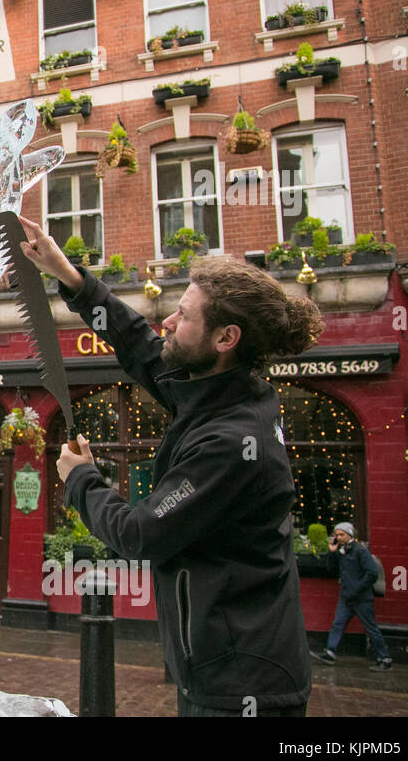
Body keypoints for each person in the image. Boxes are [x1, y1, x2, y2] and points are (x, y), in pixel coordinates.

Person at [16, 214, 324, 717]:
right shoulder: (215, 392)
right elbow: (138, 345)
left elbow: (139, 533)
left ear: (226, 338)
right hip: (217, 667)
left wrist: (80, 479)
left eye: (183, 315)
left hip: (241, 683)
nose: (168, 322)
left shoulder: (231, 440)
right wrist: (68, 275)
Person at [311, 522, 392, 671]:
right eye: (336, 535)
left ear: (350, 534)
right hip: (346, 597)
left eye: (341, 534)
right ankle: (330, 652)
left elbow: (372, 574)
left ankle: (385, 659)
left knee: (371, 628)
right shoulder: (341, 551)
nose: (338, 537)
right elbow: (331, 569)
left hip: (362, 599)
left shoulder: (360, 551)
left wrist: (355, 589)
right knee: (338, 624)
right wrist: (332, 552)